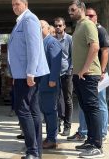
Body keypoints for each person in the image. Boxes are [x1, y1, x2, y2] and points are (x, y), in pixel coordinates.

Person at [8, 0, 49, 159]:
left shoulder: (29, 19)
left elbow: (34, 47)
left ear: (25, 4)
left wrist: (30, 72)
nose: (15, 7)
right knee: (32, 110)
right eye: (13, 5)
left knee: (23, 110)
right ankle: (36, 151)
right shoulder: (21, 21)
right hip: (22, 74)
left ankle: (32, 151)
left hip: (28, 74)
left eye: (17, 4)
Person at [68, 7, 109, 143]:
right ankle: (84, 132)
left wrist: (102, 70)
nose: (89, 17)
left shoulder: (100, 30)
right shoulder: (83, 27)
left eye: (92, 15)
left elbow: (104, 51)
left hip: (95, 72)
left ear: (96, 17)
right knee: (86, 105)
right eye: (87, 15)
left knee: (98, 104)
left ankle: (100, 134)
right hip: (85, 72)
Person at [39, 20, 62, 150]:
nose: (39, 29)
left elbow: (56, 62)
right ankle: (49, 137)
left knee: (50, 111)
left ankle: (52, 139)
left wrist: (53, 79)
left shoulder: (52, 42)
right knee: (45, 111)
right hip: (41, 83)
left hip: (49, 83)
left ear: (48, 29)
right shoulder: (40, 42)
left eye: (41, 27)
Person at [54, 16, 73, 136]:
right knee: (56, 99)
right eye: (56, 25)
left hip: (67, 74)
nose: (58, 27)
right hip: (55, 74)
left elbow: (73, 56)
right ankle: (57, 124)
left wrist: (70, 70)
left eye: (60, 25)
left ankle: (67, 126)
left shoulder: (70, 39)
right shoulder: (52, 40)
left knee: (67, 100)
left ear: (64, 26)